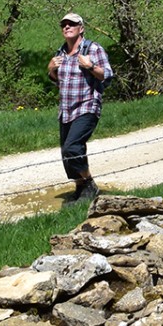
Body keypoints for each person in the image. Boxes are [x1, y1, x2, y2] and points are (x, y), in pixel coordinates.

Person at [48, 12, 113, 205]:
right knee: (66, 154)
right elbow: (57, 81)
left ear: (81, 28)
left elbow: (108, 76)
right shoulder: (60, 54)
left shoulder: (93, 49)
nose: (67, 27)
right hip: (66, 109)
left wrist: (91, 66)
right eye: (64, 24)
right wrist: (51, 69)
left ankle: (89, 183)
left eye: (72, 24)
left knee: (72, 147)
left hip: (87, 106)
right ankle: (81, 188)